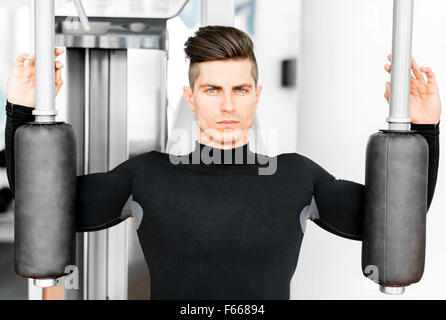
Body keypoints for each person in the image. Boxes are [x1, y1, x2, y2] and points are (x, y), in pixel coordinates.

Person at [4, 26, 441, 299]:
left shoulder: (296, 176)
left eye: (240, 90)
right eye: (213, 90)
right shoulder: (148, 175)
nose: (227, 105)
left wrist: (425, 130)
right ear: (191, 98)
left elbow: (399, 219)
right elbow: (41, 207)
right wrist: (21, 111)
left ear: (257, 94)